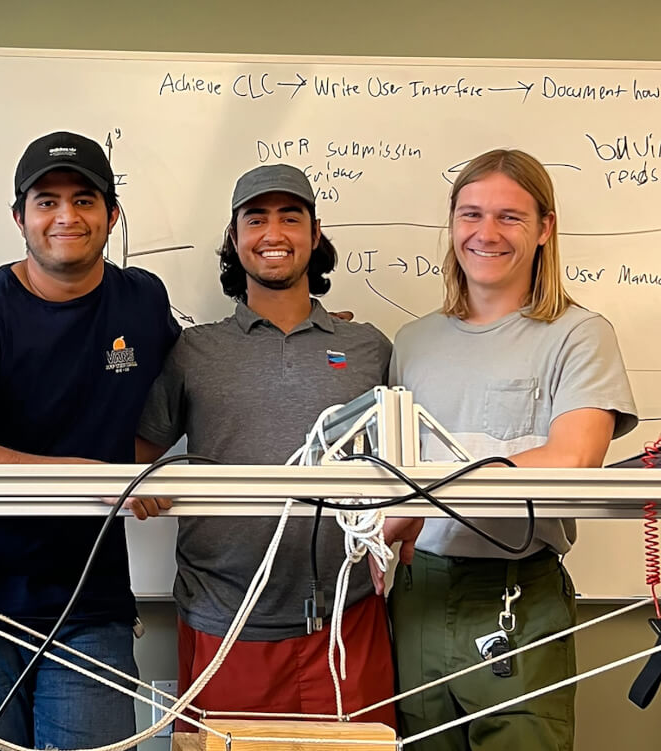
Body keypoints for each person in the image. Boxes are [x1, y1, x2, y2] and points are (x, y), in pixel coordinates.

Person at [0, 130, 181, 750]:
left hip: (89, 600)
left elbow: (173, 401)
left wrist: (284, 335)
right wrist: (96, 475)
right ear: (19, 217)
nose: (66, 216)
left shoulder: (141, 302)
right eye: (46, 201)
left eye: (85, 200)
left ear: (112, 215)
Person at [389, 148, 638, 751]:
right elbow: (390, 469)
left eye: (510, 217)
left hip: (516, 595)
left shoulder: (579, 334)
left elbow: (575, 459)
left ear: (545, 229)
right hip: (417, 595)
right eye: (471, 214)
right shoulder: (412, 341)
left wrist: (429, 492)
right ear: (452, 225)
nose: (487, 233)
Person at [136, 164, 398, 732]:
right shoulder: (194, 351)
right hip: (224, 621)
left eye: (290, 217)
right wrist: (146, 485)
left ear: (315, 232)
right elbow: (137, 455)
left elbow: (404, 471)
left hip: (347, 618)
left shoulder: (369, 348)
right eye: (256, 219)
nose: (273, 233)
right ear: (234, 238)